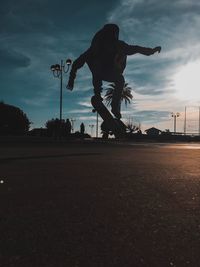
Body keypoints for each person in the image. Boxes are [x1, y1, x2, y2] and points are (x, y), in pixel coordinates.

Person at [67, 24, 161, 119]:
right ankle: (102, 97)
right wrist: (71, 79)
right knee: (103, 70)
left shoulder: (118, 45)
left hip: (109, 71)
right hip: (102, 71)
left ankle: (113, 105)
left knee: (118, 79)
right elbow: (77, 62)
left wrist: (151, 51)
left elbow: (136, 49)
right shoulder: (97, 47)